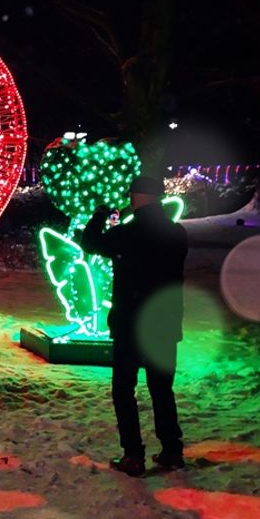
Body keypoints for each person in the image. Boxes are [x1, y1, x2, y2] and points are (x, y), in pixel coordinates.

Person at [81, 175, 188, 476]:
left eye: (131, 195)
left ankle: (133, 455)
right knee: (162, 389)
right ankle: (172, 451)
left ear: (138, 196)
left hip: (131, 323)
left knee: (124, 390)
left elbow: (89, 243)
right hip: (164, 322)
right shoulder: (177, 233)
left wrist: (100, 215)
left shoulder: (127, 234)